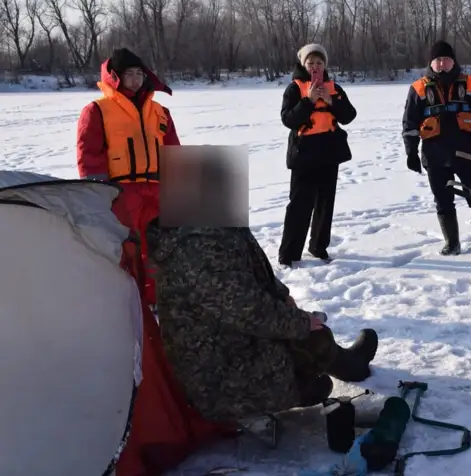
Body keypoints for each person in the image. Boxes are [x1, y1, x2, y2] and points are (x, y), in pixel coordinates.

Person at [144, 153, 379, 426]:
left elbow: (254, 273)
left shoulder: (209, 228)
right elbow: (248, 310)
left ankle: (319, 375)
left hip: (226, 345)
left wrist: (283, 297)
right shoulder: (198, 245)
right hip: (217, 377)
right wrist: (301, 322)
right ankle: (308, 383)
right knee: (311, 337)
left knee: (304, 328)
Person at [76, 47, 181, 308]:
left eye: (139, 73)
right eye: (129, 74)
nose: (135, 79)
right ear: (116, 77)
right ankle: (129, 306)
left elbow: (173, 150)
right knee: (127, 251)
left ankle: (159, 301)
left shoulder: (160, 111)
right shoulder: (97, 110)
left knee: (162, 248)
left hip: (157, 189)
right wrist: (99, 193)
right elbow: (89, 155)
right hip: (121, 192)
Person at [402, 40, 471, 256]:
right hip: (435, 156)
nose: (441, 64)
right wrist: (410, 152)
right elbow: (409, 124)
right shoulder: (418, 88)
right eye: (437, 60)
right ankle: (452, 244)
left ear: (453, 61)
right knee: (443, 201)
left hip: (469, 154)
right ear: (431, 62)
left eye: (446, 59)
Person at [278, 44, 357, 268]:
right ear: (303, 65)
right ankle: (289, 254)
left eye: (319, 63)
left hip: (329, 152)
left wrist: (331, 101)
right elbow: (288, 120)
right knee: (299, 205)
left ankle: (318, 247)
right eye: (310, 63)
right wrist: (309, 101)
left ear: (325, 66)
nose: (315, 67)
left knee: (325, 204)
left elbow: (349, 116)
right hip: (304, 153)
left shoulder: (335, 88)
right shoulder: (294, 89)